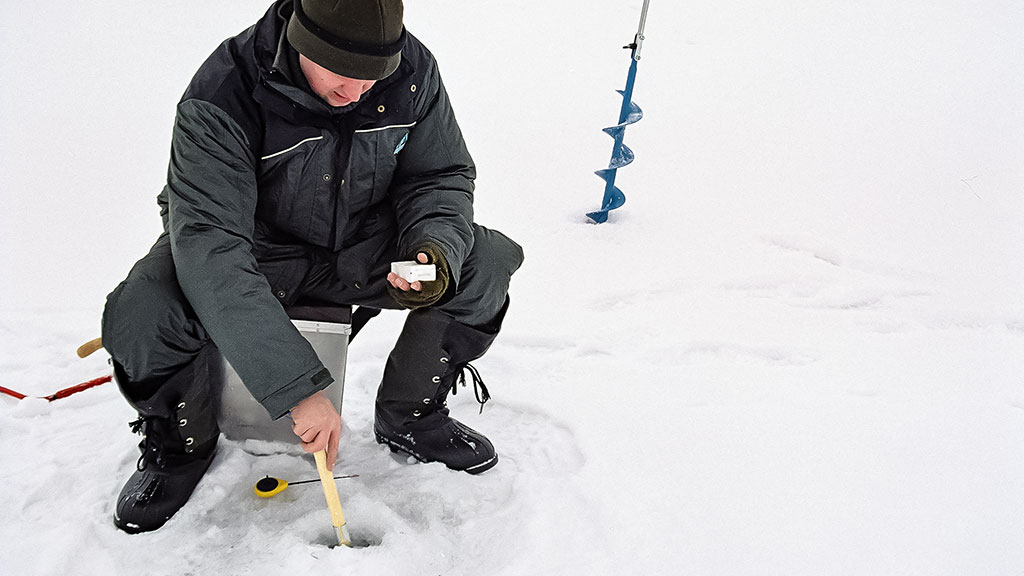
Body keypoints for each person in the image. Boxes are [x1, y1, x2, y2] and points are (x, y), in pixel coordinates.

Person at [101, 0, 523, 534]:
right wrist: (298, 390)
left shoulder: (412, 72)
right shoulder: (224, 93)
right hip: (255, 253)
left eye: (373, 77)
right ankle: (181, 445)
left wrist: (431, 250)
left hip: (359, 247)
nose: (358, 92)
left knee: (482, 262)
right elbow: (212, 249)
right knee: (142, 309)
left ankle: (411, 417)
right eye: (342, 75)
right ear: (301, 42)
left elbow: (439, 175)